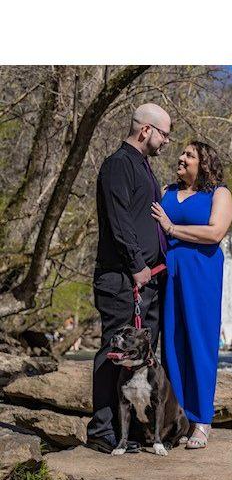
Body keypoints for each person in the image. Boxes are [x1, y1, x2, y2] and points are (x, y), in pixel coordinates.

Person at [86, 103, 171, 454]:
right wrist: (137, 264)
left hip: (146, 278)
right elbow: (119, 221)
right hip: (122, 277)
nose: (168, 140)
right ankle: (101, 431)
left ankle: (132, 432)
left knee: (143, 354)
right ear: (146, 130)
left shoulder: (143, 167)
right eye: (165, 133)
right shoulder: (118, 165)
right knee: (114, 350)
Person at [151, 141, 232, 449]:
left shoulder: (219, 194)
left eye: (189, 155)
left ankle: (201, 422)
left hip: (202, 273)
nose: (181, 158)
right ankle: (177, 420)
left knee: (200, 342)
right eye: (182, 153)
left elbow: (215, 233)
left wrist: (171, 229)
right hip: (168, 272)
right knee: (171, 343)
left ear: (204, 163)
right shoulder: (166, 191)